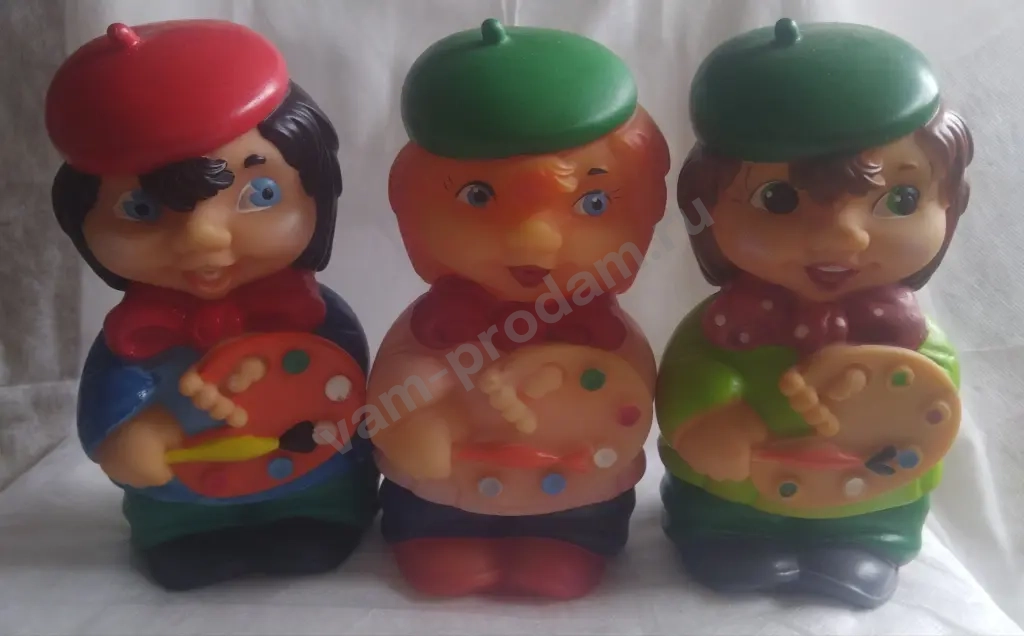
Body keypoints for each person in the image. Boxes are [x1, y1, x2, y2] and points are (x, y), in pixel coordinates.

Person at [46, 20, 378, 591]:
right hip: (183, 496)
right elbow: (107, 407)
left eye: (260, 194)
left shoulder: (317, 316)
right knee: (185, 548)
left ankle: (317, 515)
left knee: (314, 527)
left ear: (317, 192)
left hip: (311, 481)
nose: (203, 239)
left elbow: (350, 389)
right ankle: (184, 533)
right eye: (143, 210)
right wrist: (134, 435)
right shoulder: (136, 338)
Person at [657, 18, 973, 608]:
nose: (842, 239)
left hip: (867, 497)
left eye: (900, 199)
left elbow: (932, 404)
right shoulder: (724, 331)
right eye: (778, 199)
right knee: (720, 509)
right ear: (704, 206)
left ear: (951, 203)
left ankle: (866, 543)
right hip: (734, 500)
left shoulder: (908, 336)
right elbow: (691, 386)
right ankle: (727, 537)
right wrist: (717, 420)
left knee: (872, 518)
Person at [370, 18, 670, 599]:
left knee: (569, 542)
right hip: (446, 494)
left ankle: (567, 542)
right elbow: (396, 388)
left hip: (572, 493)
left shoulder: (605, 332)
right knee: (435, 532)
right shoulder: (432, 327)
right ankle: (437, 539)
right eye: (479, 197)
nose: (535, 243)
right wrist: (416, 421)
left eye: (593, 202)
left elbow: (631, 403)